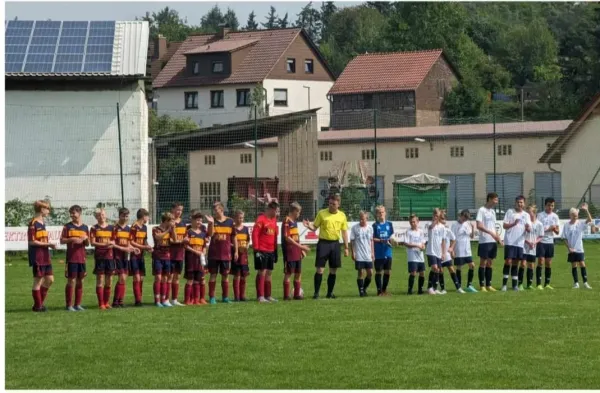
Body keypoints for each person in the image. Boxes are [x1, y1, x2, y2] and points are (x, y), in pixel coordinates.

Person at [303, 194, 349, 299]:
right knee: (320, 270)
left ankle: (330, 293)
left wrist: (346, 247)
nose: (331, 206)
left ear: (338, 205)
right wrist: (308, 226)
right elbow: (314, 227)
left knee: (333, 270)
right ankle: (316, 293)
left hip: (335, 244)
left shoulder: (342, 215)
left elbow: (344, 232)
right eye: (330, 203)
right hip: (323, 243)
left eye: (334, 204)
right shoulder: (322, 213)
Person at [206, 202, 237, 304]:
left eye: (216, 210)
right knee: (213, 275)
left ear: (222, 209)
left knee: (225, 275)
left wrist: (236, 251)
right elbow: (210, 234)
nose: (214, 212)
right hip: (214, 253)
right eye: (214, 210)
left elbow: (234, 237)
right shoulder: (213, 221)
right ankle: (212, 297)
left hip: (226, 253)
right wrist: (210, 223)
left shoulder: (230, 221)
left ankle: (225, 297)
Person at [28, 200, 57, 312]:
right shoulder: (33, 223)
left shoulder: (42, 223)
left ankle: (38, 305)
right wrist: (48, 244)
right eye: (47, 209)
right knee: (38, 281)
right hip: (37, 256)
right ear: (42, 209)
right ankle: (38, 306)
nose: (49, 211)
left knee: (50, 279)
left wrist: (48, 245)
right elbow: (32, 242)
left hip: (45, 256)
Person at [60, 205, 90, 311]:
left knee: (80, 281)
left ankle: (78, 304)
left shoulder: (85, 227)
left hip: (82, 258)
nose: (72, 215)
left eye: (74, 213)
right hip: (71, 258)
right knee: (71, 280)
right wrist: (72, 239)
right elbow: (62, 240)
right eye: (71, 213)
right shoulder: (67, 226)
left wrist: (85, 239)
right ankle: (69, 305)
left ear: (79, 213)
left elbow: (87, 244)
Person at [501, 196, 531, 292]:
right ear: (515, 203)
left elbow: (529, 229)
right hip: (510, 241)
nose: (519, 204)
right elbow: (504, 226)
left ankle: (515, 285)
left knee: (516, 263)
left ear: (524, 204)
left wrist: (528, 228)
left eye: (521, 202)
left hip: (519, 242)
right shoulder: (510, 212)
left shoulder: (526, 215)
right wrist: (514, 223)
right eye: (518, 202)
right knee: (508, 261)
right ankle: (504, 285)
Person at [281, 202, 310, 300]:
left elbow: (295, 238)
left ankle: (297, 294)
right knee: (288, 273)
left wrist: (300, 248)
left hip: (297, 252)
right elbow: (287, 238)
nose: (299, 214)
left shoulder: (295, 222)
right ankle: (286, 296)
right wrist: (301, 247)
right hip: (289, 252)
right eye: (299, 212)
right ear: (294, 211)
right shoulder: (286, 221)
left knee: (298, 273)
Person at [111, 208, 140, 307]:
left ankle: (120, 301)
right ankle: (116, 301)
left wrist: (134, 248)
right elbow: (112, 244)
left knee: (124, 278)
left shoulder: (128, 229)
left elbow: (128, 243)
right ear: (119, 216)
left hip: (125, 257)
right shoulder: (114, 228)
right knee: (122, 277)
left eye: (126, 216)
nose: (125, 217)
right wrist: (123, 249)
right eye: (123, 215)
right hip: (117, 256)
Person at [253, 202, 280, 303]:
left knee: (269, 272)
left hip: (271, 250)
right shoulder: (261, 219)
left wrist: (275, 250)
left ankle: (268, 295)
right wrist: (256, 249)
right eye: (276, 211)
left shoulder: (274, 220)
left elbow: (275, 236)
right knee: (262, 271)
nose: (277, 213)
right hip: (262, 250)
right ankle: (260, 296)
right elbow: (255, 234)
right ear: (271, 209)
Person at [563, 203, 594, 289]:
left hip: (579, 249)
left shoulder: (580, 223)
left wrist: (586, 210)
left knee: (582, 264)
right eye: (574, 215)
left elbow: (590, 219)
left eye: (577, 215)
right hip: (571, 250)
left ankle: (585, 282)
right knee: (573, 265)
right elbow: (564, 238)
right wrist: (569, 248)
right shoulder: (566, 225)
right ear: (570, 215)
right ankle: (576, 283)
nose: (576, 217)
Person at [476, 192, 503, 292]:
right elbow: (479, 225)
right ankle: (482, 285)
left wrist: (498, 238)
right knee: (483, 263)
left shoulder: (492, 212)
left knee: (490, 263)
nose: (497, 201)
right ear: (490, 199)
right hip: (484, 241)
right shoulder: (481, 210)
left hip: (492, 241)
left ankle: (489, 285)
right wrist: (490, 233)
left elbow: (494, 226)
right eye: (495, 199)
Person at [89, 208, 115, 310]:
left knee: (109, 280)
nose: (101, 217)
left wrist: (112, 244)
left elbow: (113, 241)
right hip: (99, 256)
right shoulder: (94, 228)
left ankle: (106, 302)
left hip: (110, 256)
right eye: (99, 215)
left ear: (105, 215)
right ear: (96, 217)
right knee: (100, 279)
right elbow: (93, 242)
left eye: (103, 214)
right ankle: (101, 303)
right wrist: (105, 244)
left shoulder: (111, 228)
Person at [183, 210, 208, 304]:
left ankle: (197, 300)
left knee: (198, 279)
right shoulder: (188, 232)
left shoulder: (203, 233)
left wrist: (203, 252)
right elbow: (185, 246)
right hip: (191, 259)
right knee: (190, 279)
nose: (199, 222)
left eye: (201, 220)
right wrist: (196, 251)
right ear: (192, 221)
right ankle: (187, 300)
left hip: (199, 260)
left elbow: (204, 246)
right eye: (197, 220)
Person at [129, 208, 153, 307]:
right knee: (137, 277)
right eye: (148, 216)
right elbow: (131, 241)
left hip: (141, 256)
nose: (148, 218)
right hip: (134, 255)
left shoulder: (144, 227)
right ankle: (138, 301)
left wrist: (148, 248)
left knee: (141, 278)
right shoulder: (134, 227)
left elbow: (144, 240)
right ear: (144, 216)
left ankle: (140, 299)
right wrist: (143, 247)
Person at [152, 212, 176, 307]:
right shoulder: (156, 229)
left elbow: (174, 239)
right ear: (166, 221)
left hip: (167, 256)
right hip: (158, 256)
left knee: (165, 278)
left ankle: (164, 300)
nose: (174, 222)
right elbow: (158, 237)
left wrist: (172, 230)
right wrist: (168, 230)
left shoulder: (170, 229)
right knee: (158, 277)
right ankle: (157, 300)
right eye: (172, 220)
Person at [451, 210, 478, 293]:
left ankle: (469, 285)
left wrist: (473, 228)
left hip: (467, 250)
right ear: (461, 215)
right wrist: (452, 250)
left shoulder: (467, 224)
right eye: (465, 217)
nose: (466, 219)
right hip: (458, 249)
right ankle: (459, 287)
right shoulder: (454, 225)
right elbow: (452, 238)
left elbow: (472, 236)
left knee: (472, 265)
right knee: (459, 267)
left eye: (467, 218)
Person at [536, 198, 560, 290]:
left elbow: (557, 232)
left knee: (548, 263)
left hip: (550, 242)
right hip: (541, 241)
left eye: (552, 205)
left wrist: (554, 229)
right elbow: (538, 230)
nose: (550, 207)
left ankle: (547, 283)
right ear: (545, 205)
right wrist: (549, 228)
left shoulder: (555, 216)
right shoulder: (540, 215)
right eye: (549, 205)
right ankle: (538, 284)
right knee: (541, 261)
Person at [350, 211, 374, 297]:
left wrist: (372, 252)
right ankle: (361, 292)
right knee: (360, 272)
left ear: (367, 219)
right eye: (360, 219)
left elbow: (371, 241)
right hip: (359, 254)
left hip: (368, 254)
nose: (361, 220)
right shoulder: (354, 228)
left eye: (363, 219)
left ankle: (364, 288)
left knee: (370, 273)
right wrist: (353, 253)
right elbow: (352, 241)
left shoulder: (370, 228)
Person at [372, 205, 394, 296]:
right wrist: (382, 240)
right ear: (376, 214)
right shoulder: (374, 225)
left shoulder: (389, 224)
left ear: (385, 213)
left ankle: (384, 290)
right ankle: (379, 291)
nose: (381, 214)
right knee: (378, 271)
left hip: (388, 251)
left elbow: (392, 236)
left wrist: (392, 240)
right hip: (378, 252)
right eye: (379, 212)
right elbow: (372, 239)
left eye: (382, 212)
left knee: (387, 271)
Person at [439, 212, 463, 294]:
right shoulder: (436, 229)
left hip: (446, 254)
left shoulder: (447, 230)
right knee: (440, 271)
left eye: (445, 218)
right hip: (438, 254)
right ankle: (442, 289)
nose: (444, 220)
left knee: (451, 269)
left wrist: (451, 248)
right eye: (442, 218)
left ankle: (458, 288)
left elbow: (454, 239)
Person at [169, 202, 187, 306]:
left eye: (180, 210)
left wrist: (186, 239)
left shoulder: (183, 223)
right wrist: (180, 241)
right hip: (170, 254)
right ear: (172, 210)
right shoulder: (169, 222)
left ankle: (174, 299)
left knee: (177, 277)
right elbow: (168, 239)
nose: (179, 212)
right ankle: (166, 299)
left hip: (180, 254)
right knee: (169, 277)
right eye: (177, 210)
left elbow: (185, 237)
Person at [403, 214, 426, 295]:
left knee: (422, 272)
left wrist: (423, 246)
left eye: (414, 222)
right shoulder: (408, 232)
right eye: (411, 222)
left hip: (420, 256)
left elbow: (423, 242)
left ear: (418, 221)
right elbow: (406, 243)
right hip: (412, 256)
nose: (412, 223)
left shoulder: (421, 231)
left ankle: (420, 290)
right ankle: (410, 290)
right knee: (413, 273)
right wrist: (416, 245)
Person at [522, 205, 544, 290]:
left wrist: (534, 242)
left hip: (533, 247)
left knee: (531, 265)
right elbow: (521, 235)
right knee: (523, 264)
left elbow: (541, 236)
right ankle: (520, 284)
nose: (528, 214)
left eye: (529, 212)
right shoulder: (525, 223)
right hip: (524, 246)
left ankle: (529, 284)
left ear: (534, 213)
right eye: (527, 212)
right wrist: (528, 242)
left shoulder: (539, 224)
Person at [425, 208, 446, 295]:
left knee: (438, 270)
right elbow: (431, 227)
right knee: (434, 268)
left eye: (438, 215)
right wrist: (435, 220)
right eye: (435, 215)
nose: (436, 217)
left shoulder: (442, 227)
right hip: (431, 251)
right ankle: (429, 287)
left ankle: (435, 288)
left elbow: (443, 241)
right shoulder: (429, 224)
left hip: (438, 252)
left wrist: (443, 253)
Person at [231, 210, 250, 302]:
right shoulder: (233, 229)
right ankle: (236, 296)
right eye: (239, 217)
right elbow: (230, 242)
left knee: (244, 275)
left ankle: (243, 295)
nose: (240, 219)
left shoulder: (246, 229)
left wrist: (246, 246)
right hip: (236, 255)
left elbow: (248, 240)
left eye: (242, 217)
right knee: (237, 275)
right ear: (235, 218)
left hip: (244, 255)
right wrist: (236, 248)